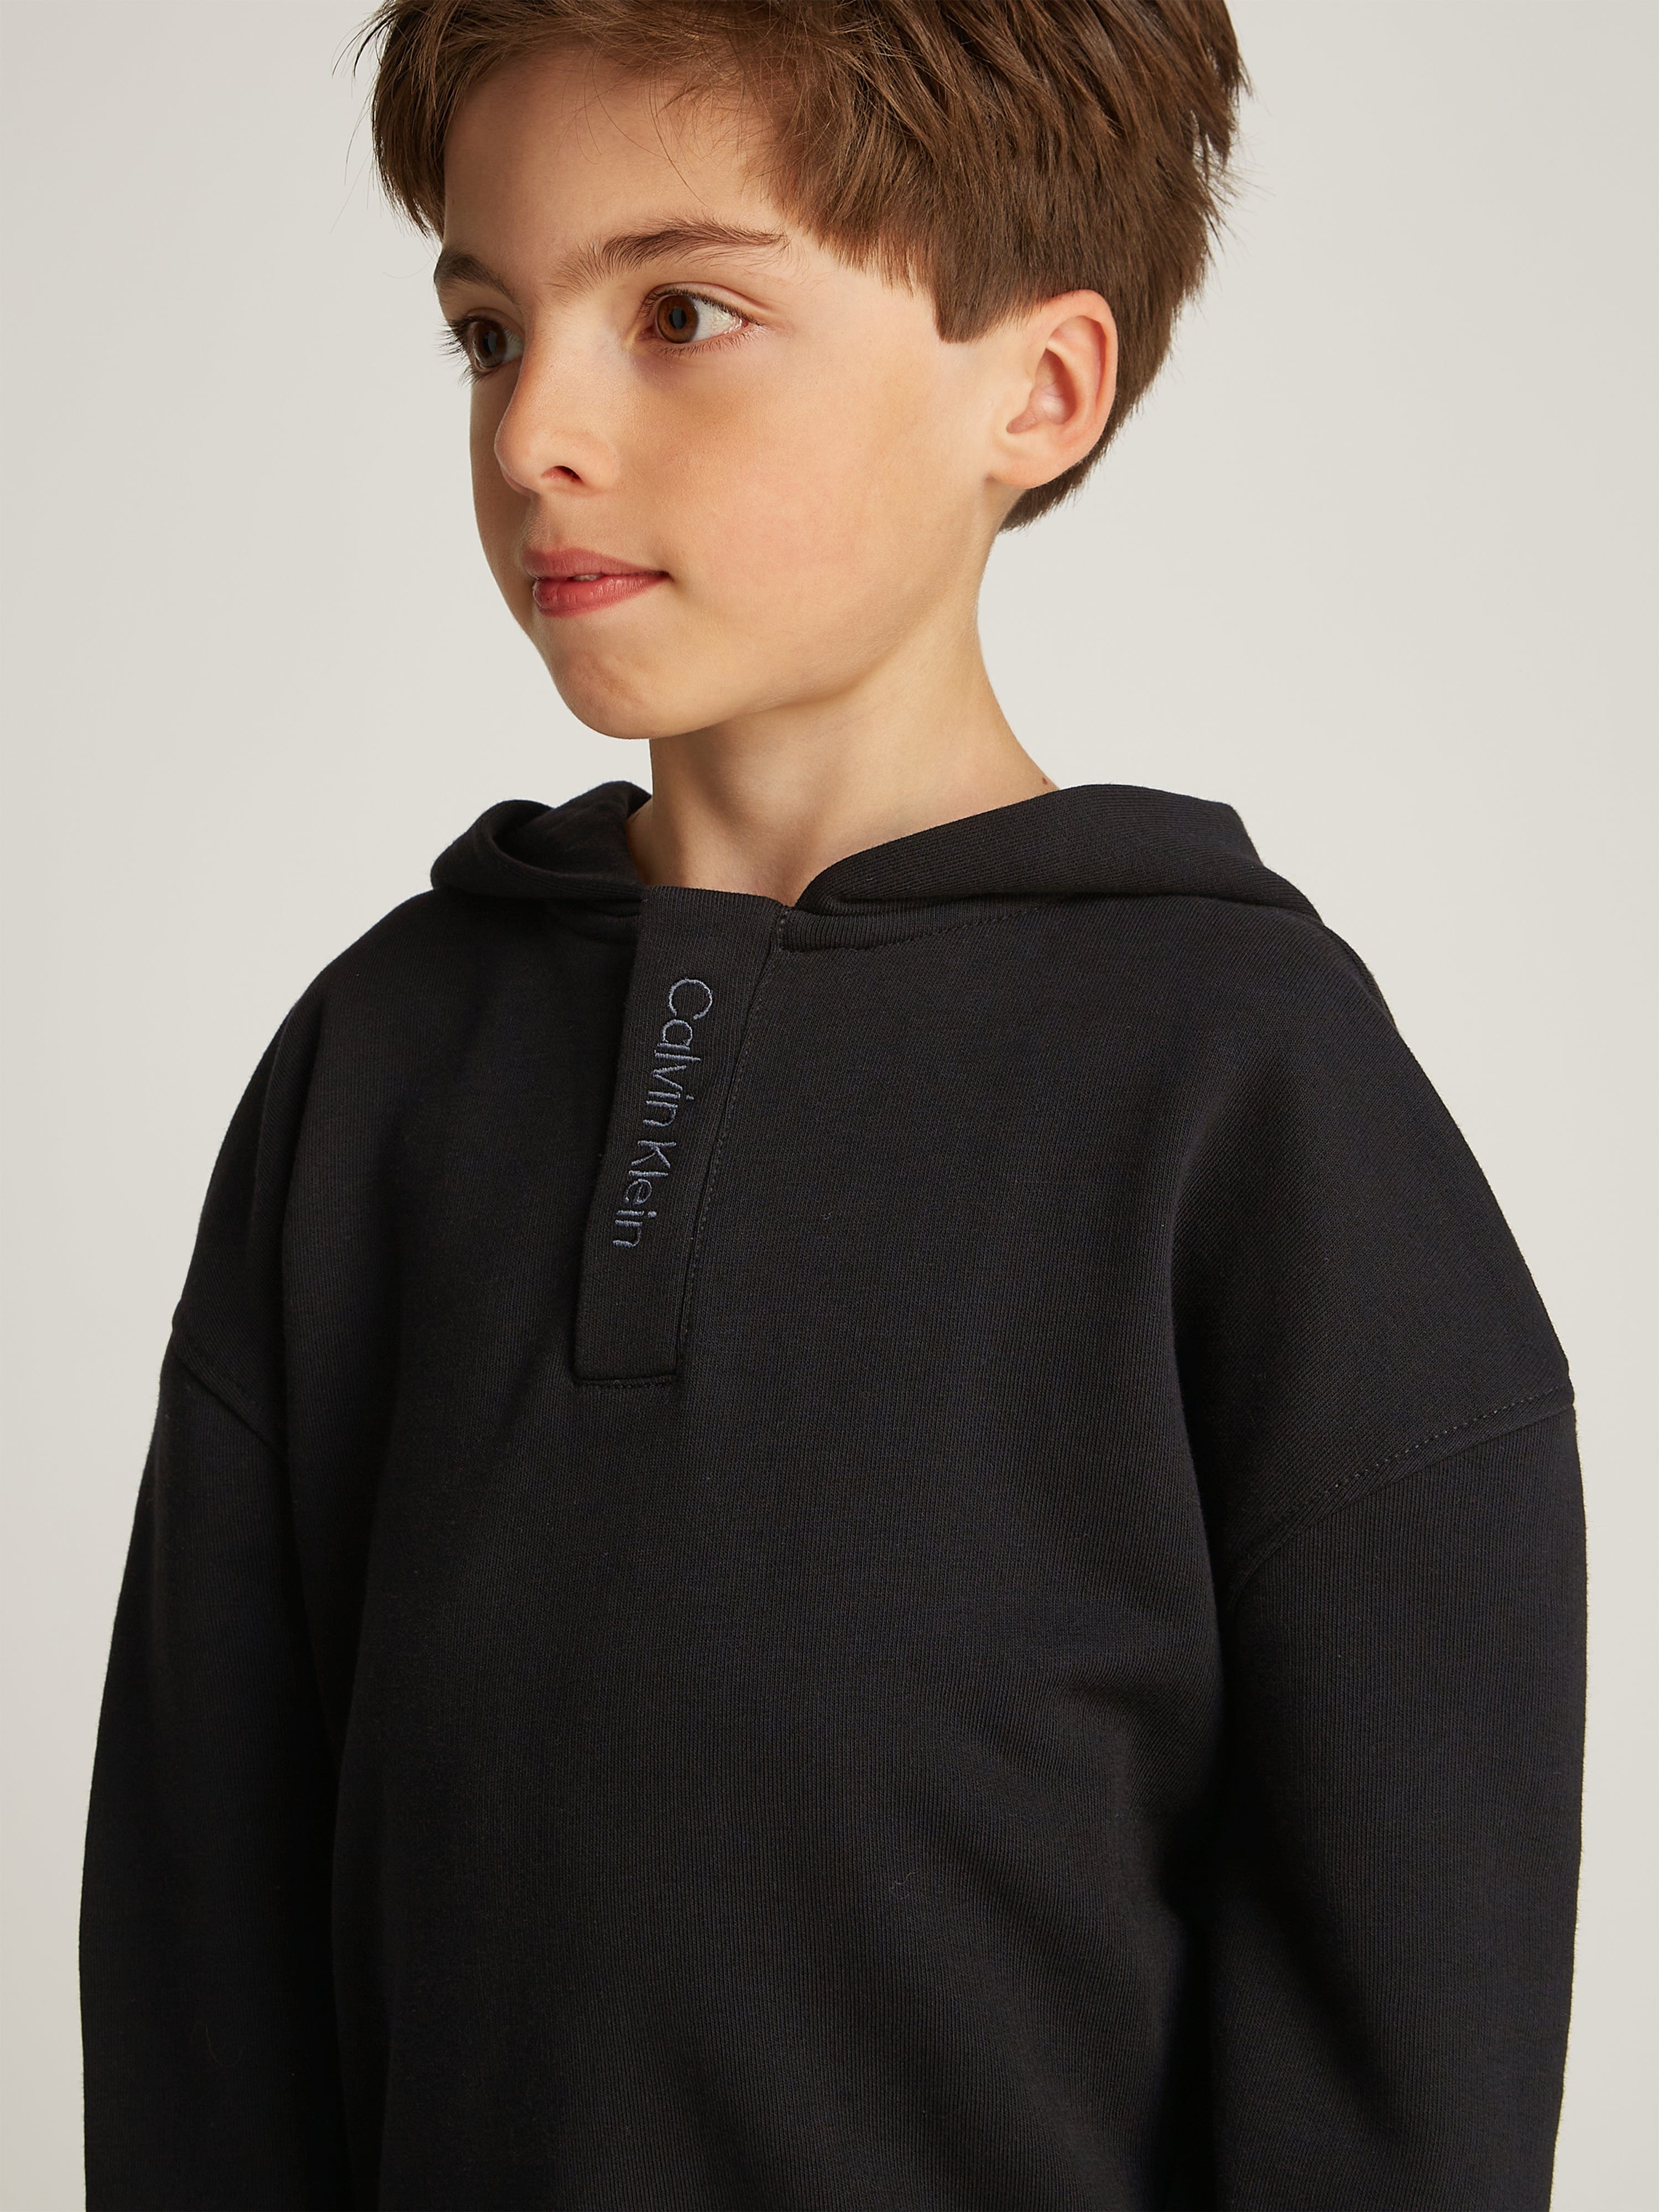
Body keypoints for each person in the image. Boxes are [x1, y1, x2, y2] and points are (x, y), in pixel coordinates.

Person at [79, 3, 1586, 2206]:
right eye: (489, 333)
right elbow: (197, 1991)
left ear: (1038, 389)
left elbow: (1404, 2074)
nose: (536, 435)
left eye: (682, 314)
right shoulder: (381, 1069)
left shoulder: (1251, 1102)